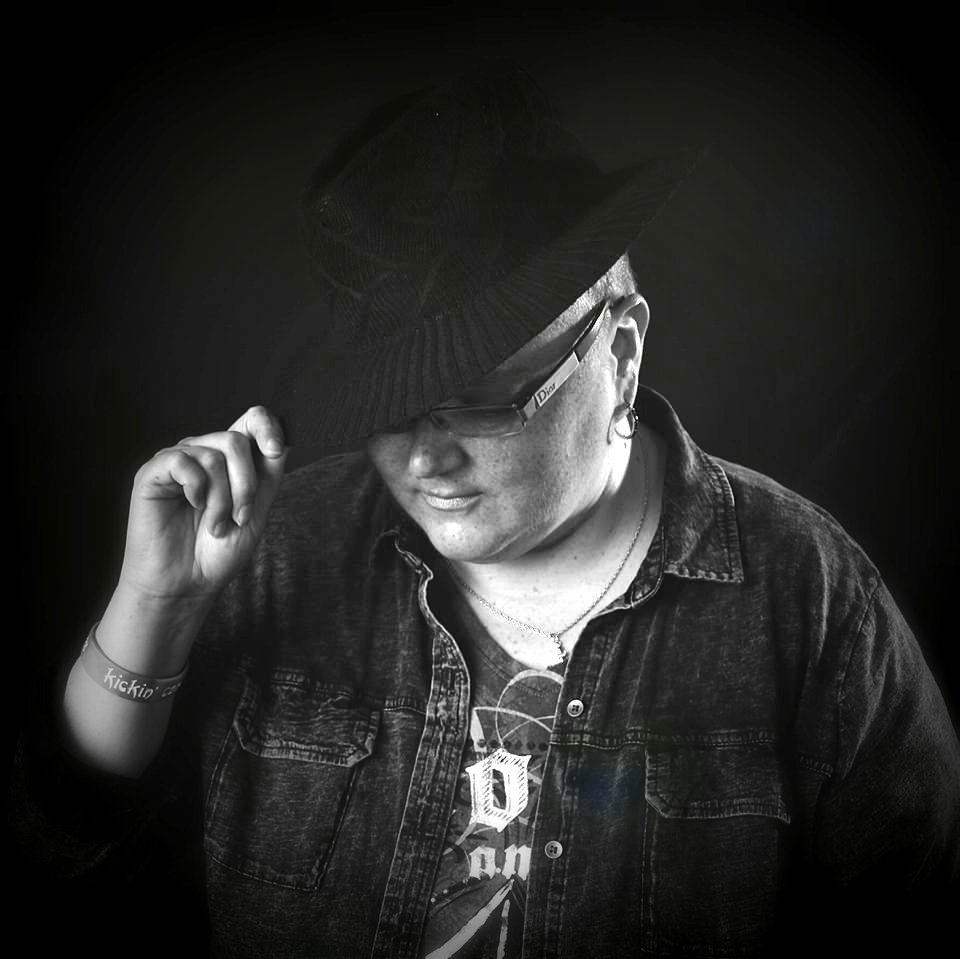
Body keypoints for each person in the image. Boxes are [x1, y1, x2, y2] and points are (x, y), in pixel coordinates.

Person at [11, 65, 959, 958]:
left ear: (620, 353)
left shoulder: (813, 604)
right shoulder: (271, 547)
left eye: (480, 401)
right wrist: (156, 609)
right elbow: (74, 857)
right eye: (389, 411)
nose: (425, 458)